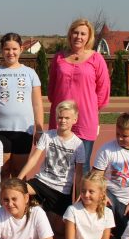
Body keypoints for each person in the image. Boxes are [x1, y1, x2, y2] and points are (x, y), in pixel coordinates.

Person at [47, 18, 110, 166]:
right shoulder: (59, 57)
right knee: (57, 166)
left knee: (82, 166)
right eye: (76, 32)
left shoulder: (96, 58)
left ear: (89, 37)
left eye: (83, 34)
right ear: (70, 34)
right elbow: (52, 88)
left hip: (85, 119)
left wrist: (91, 108)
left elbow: (103, 90)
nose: (79, 37)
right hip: (61, 117)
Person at [0, 33, 44, 179]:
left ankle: (19, 195)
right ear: (1, 50)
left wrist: (39, 129)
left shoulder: (30, 73)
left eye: (14, 49)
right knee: (1, 172)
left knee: (19, 173)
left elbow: (37, 104)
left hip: (24, 130)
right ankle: (0, 195)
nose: (11, 53)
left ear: (21, 49)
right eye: (7, 49)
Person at [17, 100, 86, 218]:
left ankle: (43, 209)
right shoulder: (47, 135)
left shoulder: (78, 144)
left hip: (61, 190)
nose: (63, 120)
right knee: (16, 191)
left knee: (56, 226)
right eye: (60, 117)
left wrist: (79, 196)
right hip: (41, 181)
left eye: (67, 118)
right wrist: (19, 178)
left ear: (75, 120)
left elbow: (78, 174)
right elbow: (34, 159)